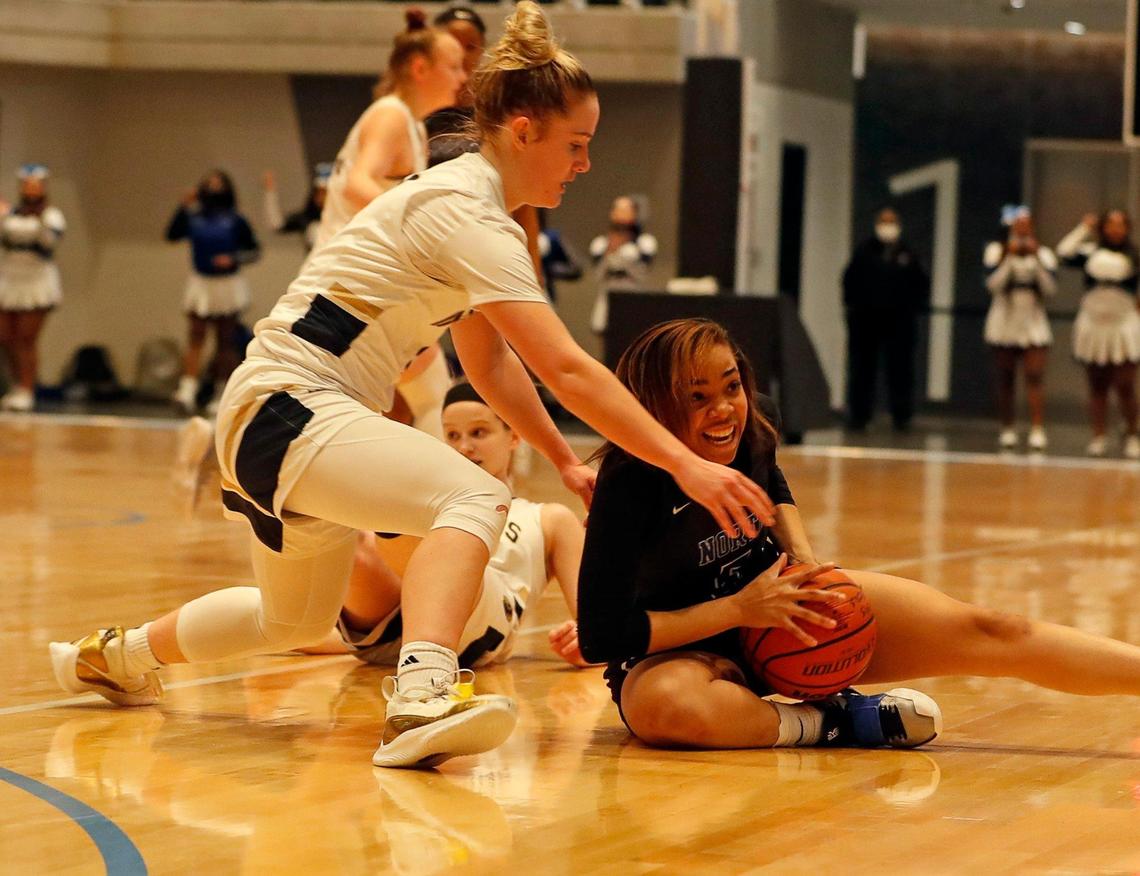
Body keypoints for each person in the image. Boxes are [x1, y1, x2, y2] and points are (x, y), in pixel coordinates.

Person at [51, 2, 774, 771]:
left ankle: (115, 657)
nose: (585, 164)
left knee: (289, 617)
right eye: (578, 144)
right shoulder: (469, 212)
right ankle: (423, 694)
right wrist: (685, 465)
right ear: (523, 129)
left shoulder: (472, 207)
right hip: (291, 403)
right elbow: (565, 366)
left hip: (276, 419)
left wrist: (564, 461)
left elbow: (490, 366)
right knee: (475, 497)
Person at [577, 318, 1140, 751]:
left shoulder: (750, 422)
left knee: (994, 629)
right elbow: (603, 637)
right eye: (696, 398)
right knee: (670, 710)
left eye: (731, 387)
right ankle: (834, 721)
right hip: (681, 650)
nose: (724, 410)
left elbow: (772, 482)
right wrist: (739, 610)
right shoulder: (628, 481)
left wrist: (803, 562)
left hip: (785, 607)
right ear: (652, 406)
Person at [299, 381, 593, 669]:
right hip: (393, 636)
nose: (464, 447)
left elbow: (596, 623)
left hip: (485, 625)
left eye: (479, 432)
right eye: (453, 435)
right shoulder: (435, 508)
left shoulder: (550, 518)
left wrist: (586, 643)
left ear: (514, 436)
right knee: (353, 544)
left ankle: (378, 487)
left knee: (417, 531)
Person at [166, 170, 260, 414]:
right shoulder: (194, 217)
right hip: (201, 282)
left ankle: (221, 393)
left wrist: (233, 259)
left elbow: (254, 250)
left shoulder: (236, 220)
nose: (214, 187)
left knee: (225, 340)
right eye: (209, 183)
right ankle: (187, 390)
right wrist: (183, 207)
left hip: (227, 283)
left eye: (219, 184)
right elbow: (172, 234)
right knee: (196, 335)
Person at [1056, 210, 1140, 458]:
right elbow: (1063, 252)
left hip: (1123, 325)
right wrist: (1084, 228)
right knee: (1097, 383)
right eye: (1110, 224)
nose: (1115, 229)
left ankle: (1132, 434)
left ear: (1127, 228)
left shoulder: (1134, 257)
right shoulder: (1091, 252)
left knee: (1125, 384)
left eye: (1120, 225)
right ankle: (1098, 435)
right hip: (1093, 325)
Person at [841, 207, 930, 432]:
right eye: (884, 221)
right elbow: (849, 282)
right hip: (866, 322)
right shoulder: (864, 251)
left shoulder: (907, 253)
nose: (887, 227)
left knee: (900, 370)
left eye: (892, 222)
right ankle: (859, 415)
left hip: (900, 324)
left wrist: (910, 309)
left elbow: (920, 285)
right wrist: (855, 310)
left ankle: (902, 416)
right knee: (862, 370)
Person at [983, 206, 1057, 451]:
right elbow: (993, 285)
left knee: (1035, 374)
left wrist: (1034, 259)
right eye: (1018, 225)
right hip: (1004, 318)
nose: (1022, 229)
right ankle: (1008, 428)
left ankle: (1037, 428)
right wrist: (1008, 258)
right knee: (1005, 376)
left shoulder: (1043, 254)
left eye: (1027, 225)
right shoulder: (996, 251)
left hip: (1032, 318)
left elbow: (1050, 289)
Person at [0, 164, 66, 412]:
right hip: (9, 277)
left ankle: (28, 388)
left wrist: (37, 220)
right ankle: (15, 384)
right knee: (6, 336)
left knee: (27, 339)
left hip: (36, 280)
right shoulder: (10, 213)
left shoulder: (52, 215)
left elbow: (47, 245)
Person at [588, 195, 658, 334]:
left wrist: (625, 253)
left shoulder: (644, 243)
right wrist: (610, 250)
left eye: (626, 209)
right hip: (608, 296)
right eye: (618, 209)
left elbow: (643, 273)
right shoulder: (600, 244)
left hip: (634, 296)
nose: (622, 214)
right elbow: (597, 275)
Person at [261, 163, 332, 253]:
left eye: (326, 192)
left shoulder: (347, 216)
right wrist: (270, 192)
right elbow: (277, 224)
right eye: (320, 192)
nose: (323, 198)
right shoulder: (306, 218)